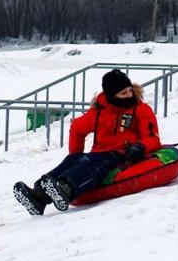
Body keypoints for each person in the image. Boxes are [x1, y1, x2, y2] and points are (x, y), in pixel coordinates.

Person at [13, 68, 162, 215]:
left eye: (130, 91)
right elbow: (77, 129)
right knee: (75, 159)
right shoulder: (99, 112)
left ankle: (67, 187)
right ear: (111, 95)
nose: (129, 95)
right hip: (98, 154)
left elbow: (153, 138)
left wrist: (141, 147)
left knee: (98, 161)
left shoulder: (140, 110)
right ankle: (38, 195)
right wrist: (76, 157)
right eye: (124, 93)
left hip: (122, 154)